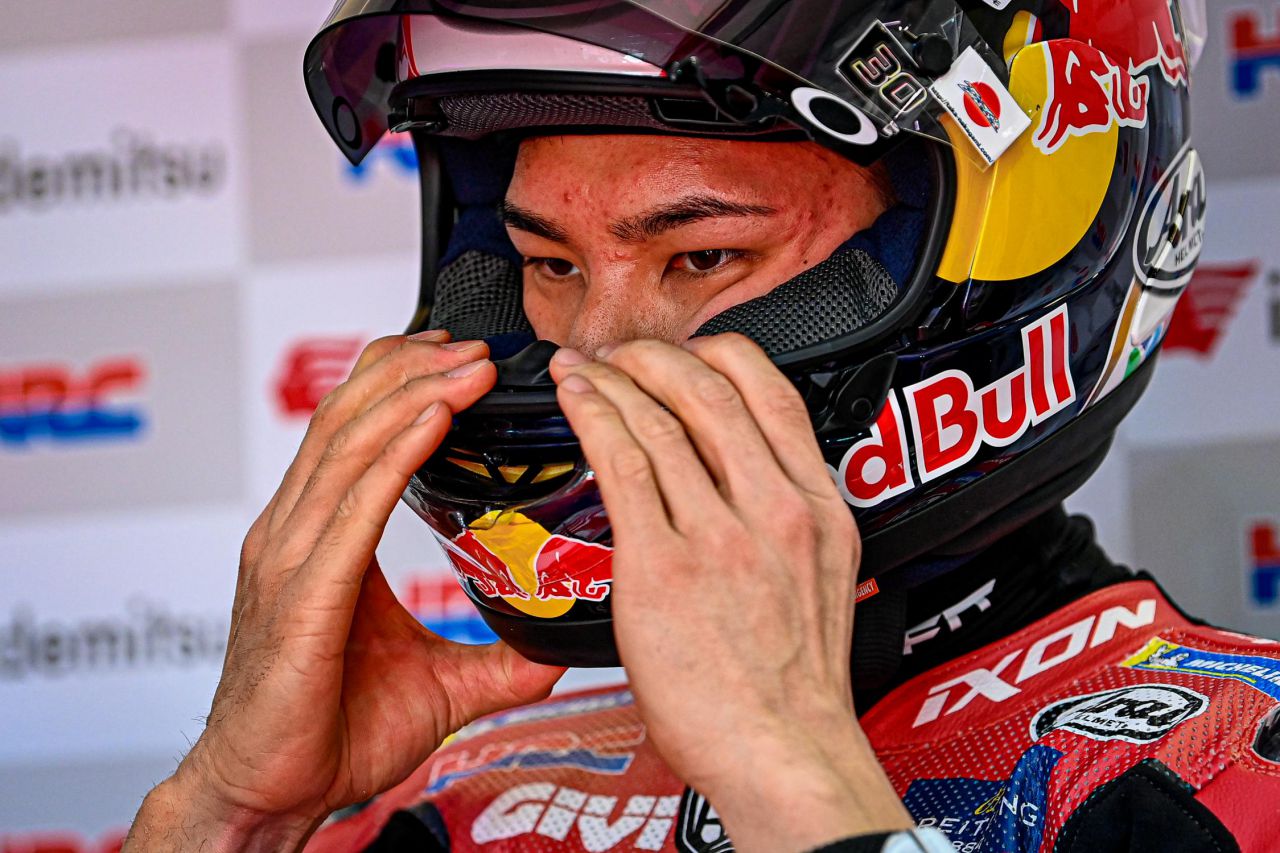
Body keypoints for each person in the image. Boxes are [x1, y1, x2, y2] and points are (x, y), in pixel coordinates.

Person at [126, 1, 1280, 851]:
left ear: (1003, 250)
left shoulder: (1226, 767)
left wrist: (789, 779)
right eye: (546, 265)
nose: (589, 363)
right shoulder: (454, 805)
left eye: (701, 256)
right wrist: (230, 814)